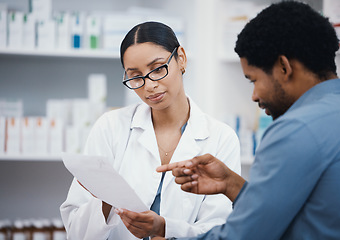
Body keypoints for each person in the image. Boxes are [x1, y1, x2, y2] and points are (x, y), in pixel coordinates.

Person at [156, 1, 340, 239]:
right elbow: (306, 213)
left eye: (253, 80)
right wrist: (232, 184)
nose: (254, 96)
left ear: (284, 67)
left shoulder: (296, 129)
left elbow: (245, 235)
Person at [60, 21, 241, 240]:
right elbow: (75, 231)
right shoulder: (110, 128)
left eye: (157, 69)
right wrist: (106, 200)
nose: (149, 85)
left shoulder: (221, 138)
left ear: (181, 58)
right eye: (135, 76)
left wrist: (165, 229)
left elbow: (219, 229)